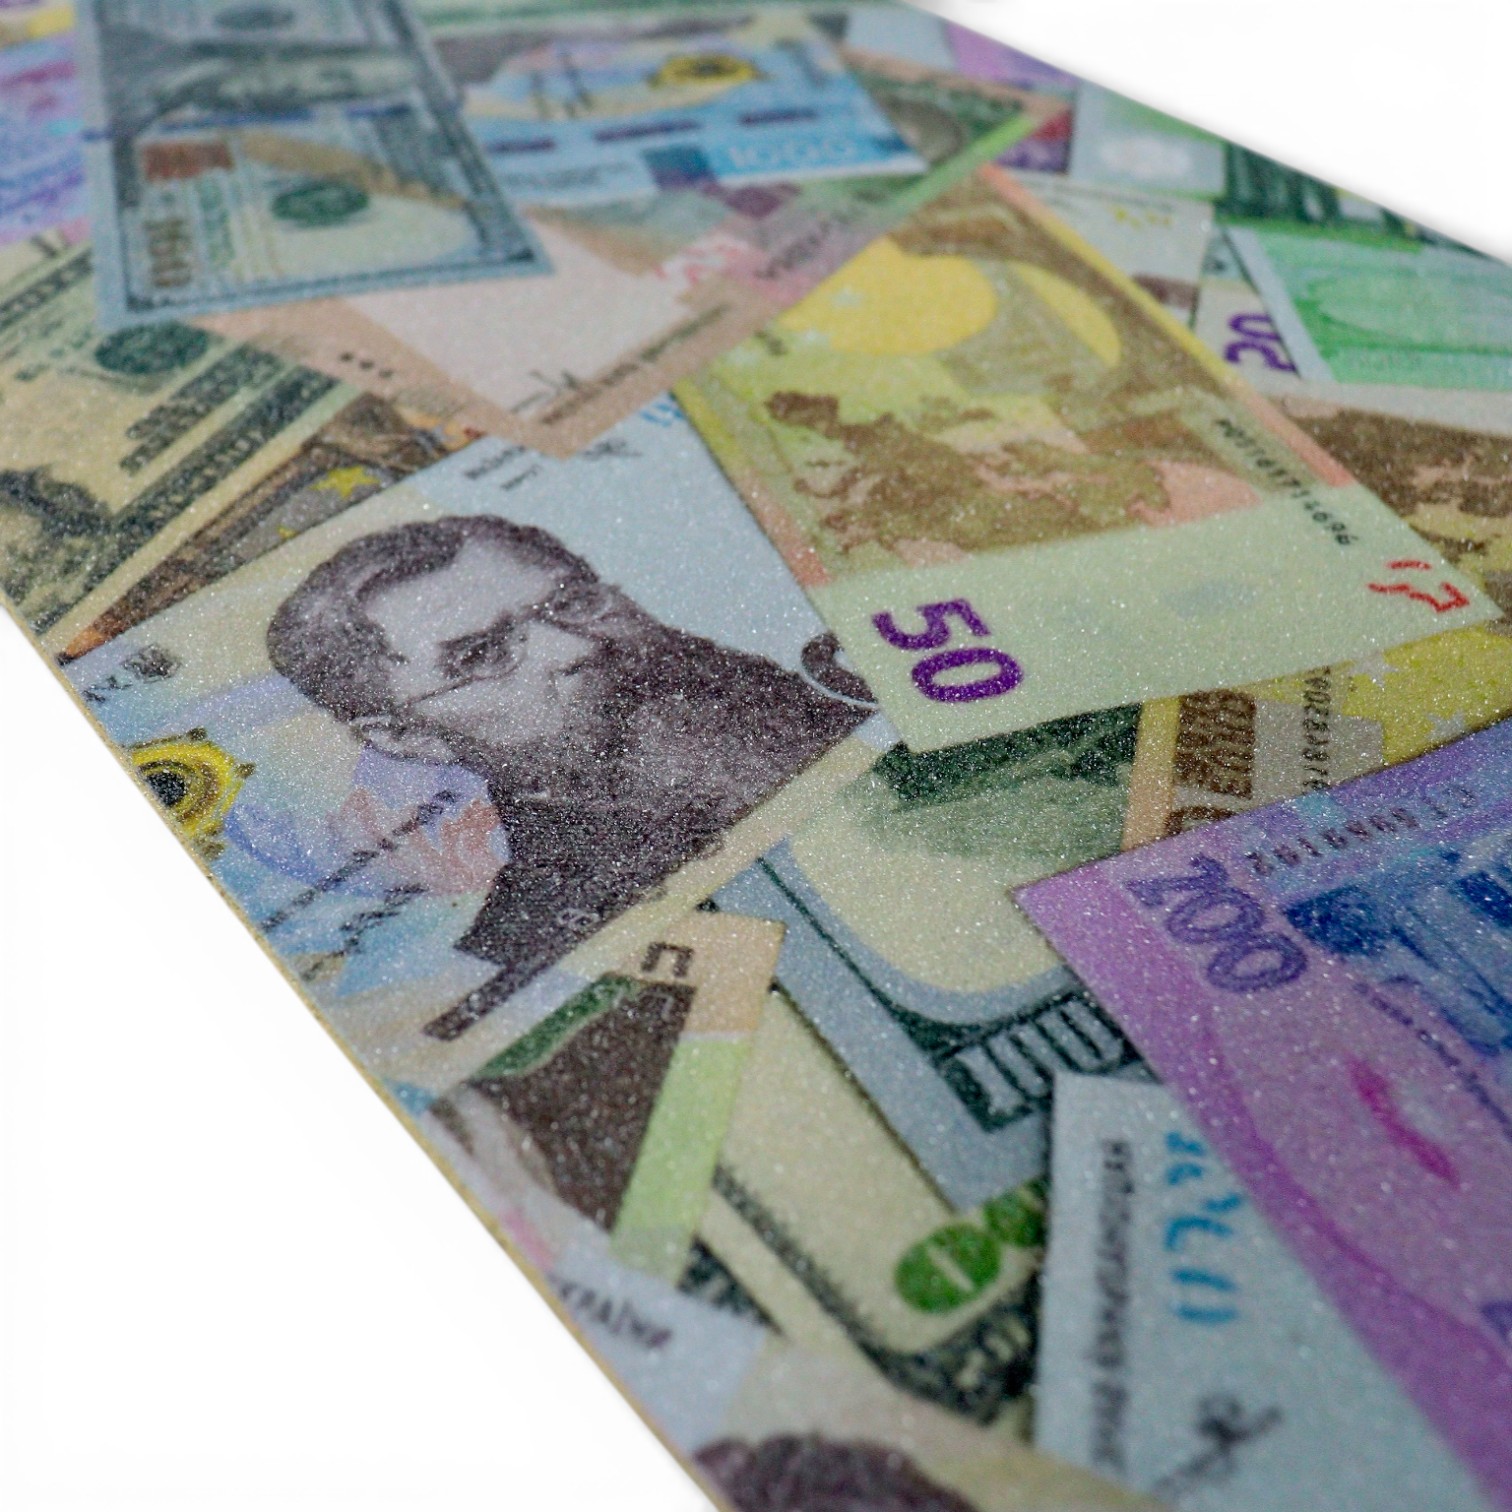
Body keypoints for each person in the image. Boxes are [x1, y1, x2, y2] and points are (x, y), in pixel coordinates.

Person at [266, 514, 865, 1015]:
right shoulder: (532, 955)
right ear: (405, 736)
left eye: (572, 602)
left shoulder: (839, 685)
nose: (579, 646)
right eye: (481, 654)